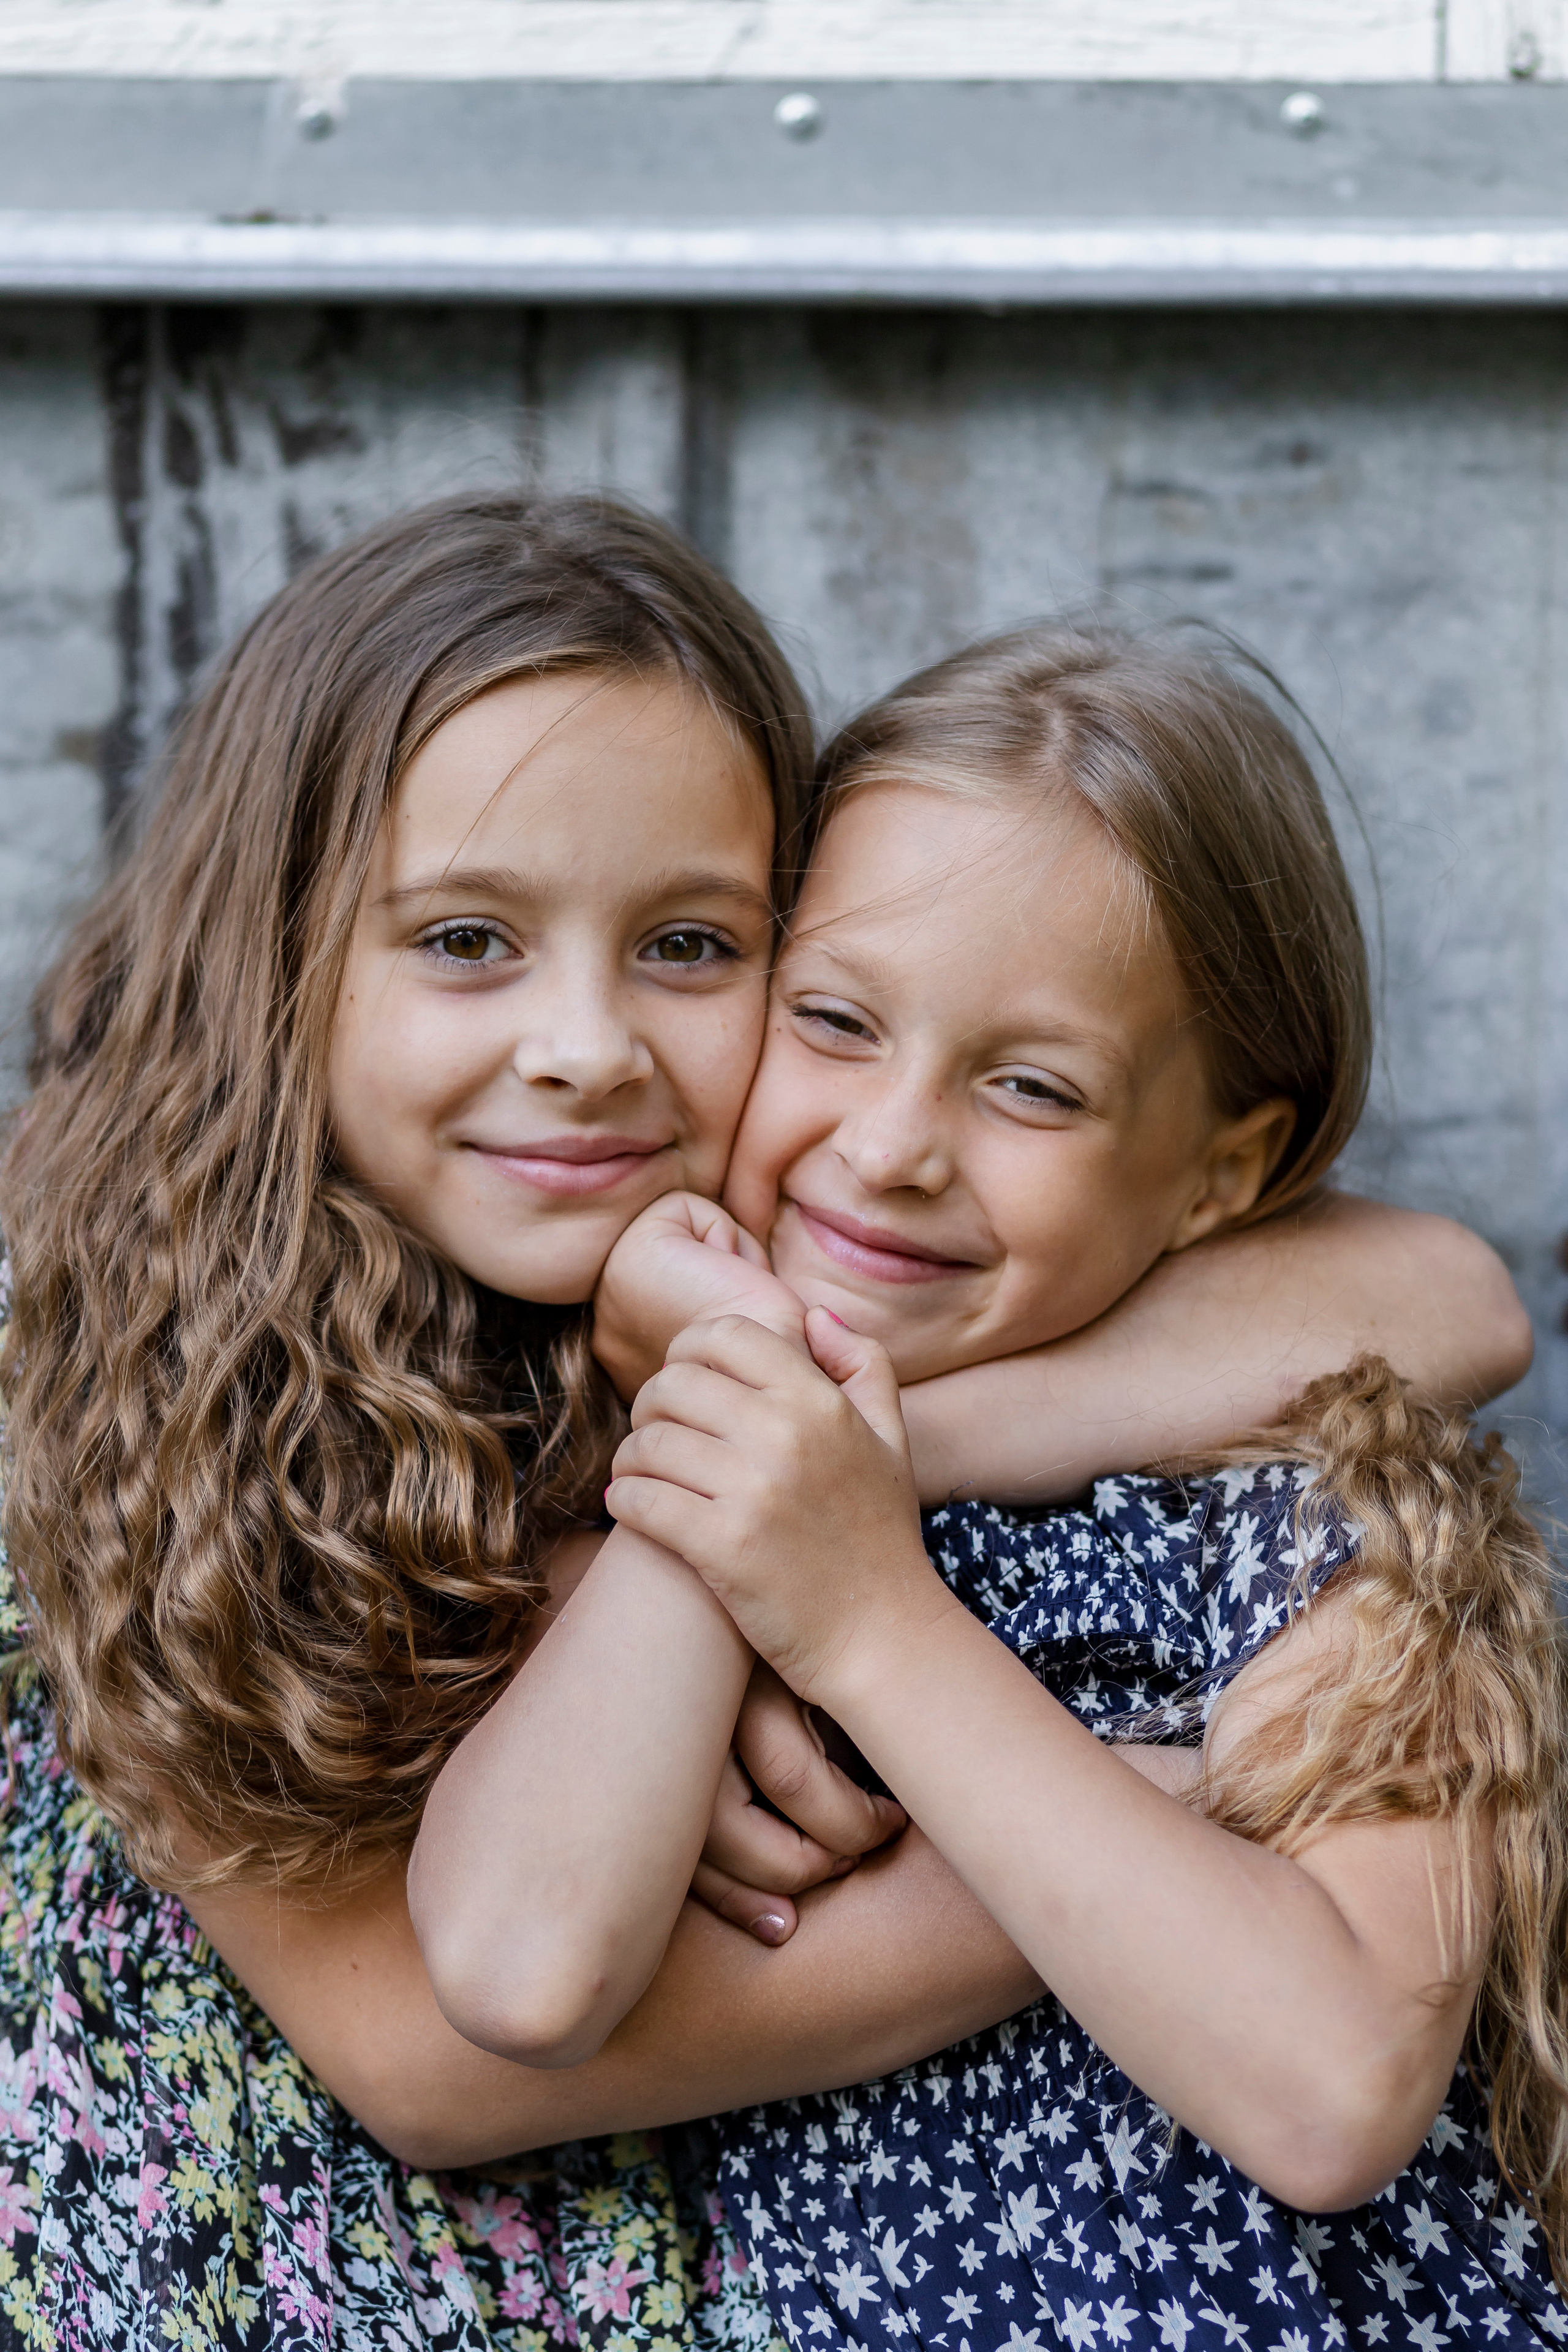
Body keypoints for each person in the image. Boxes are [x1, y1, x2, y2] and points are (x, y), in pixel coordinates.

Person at [0, 497, 1528, 2350]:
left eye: (695, 947)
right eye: (469, 937)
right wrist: (1148, 1786)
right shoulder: (132, 1352)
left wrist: (849, 1461)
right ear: (276, 961)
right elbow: (448, 2042)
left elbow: (1450, 1296)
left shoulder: (767, 1303)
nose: (586, 1042)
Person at [414, 625, 1568, 2350]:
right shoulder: (665, 1468)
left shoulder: (1304, 1497)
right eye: (832, 1023)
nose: (891, 1147)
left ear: (1220, 1171)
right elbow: (520, 1968)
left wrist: (870, 1615)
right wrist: (753, 1409)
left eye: (1032, 1085)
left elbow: (1334, 2092)